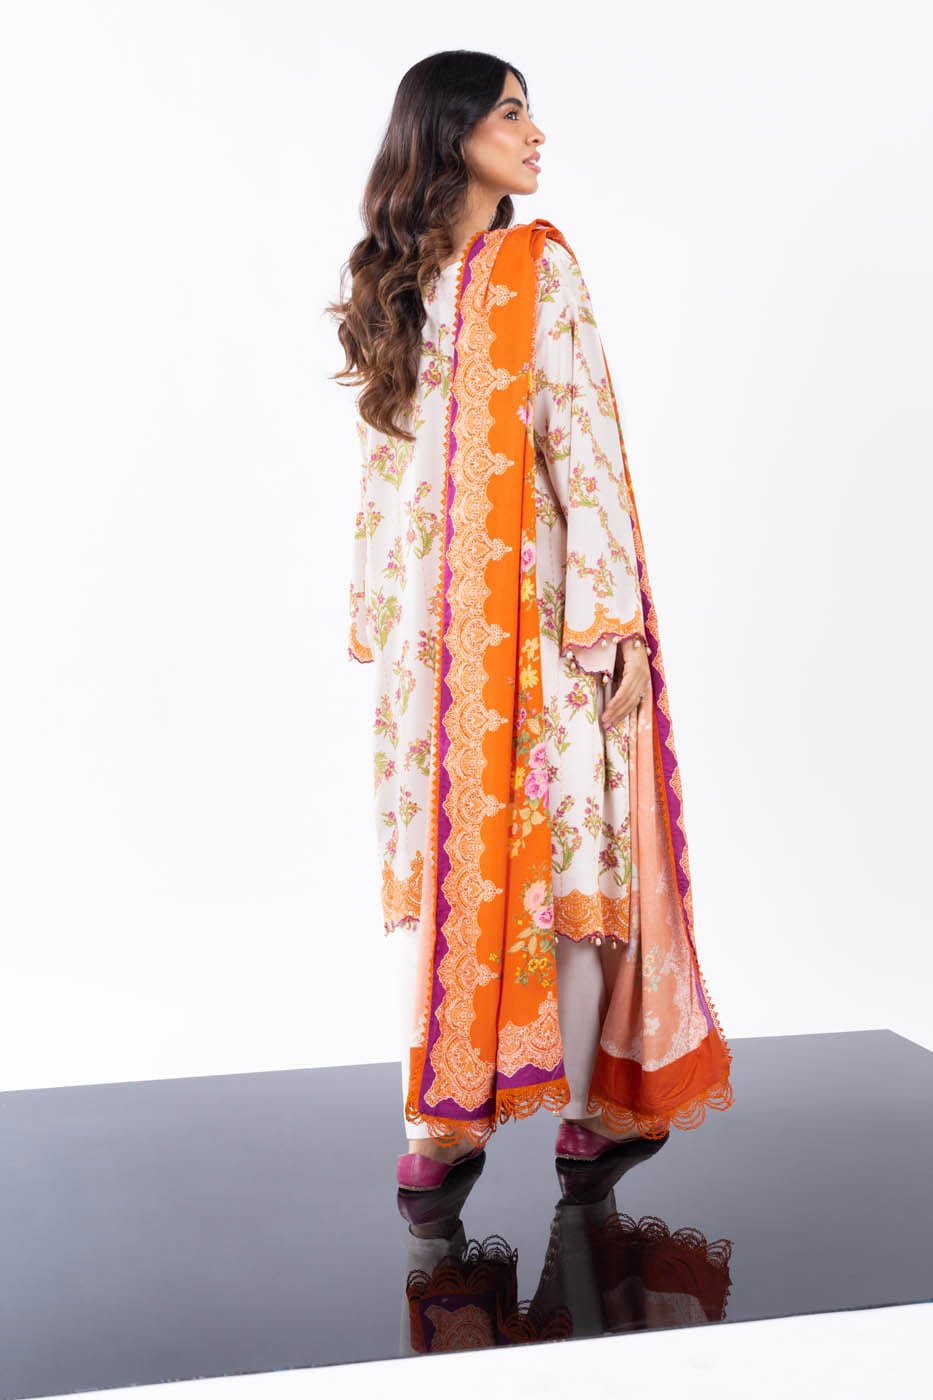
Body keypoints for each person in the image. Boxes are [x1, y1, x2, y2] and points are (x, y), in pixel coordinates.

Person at [328, 51, 734, 1190]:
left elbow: (581, 443)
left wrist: (607, 619)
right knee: (457, 863)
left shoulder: (532, 268)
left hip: (528, 623)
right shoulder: (397, 289)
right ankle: (466, 1118)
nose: (536, 132)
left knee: (555, 853)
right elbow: (387, 476)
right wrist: (383, 619)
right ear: (451, 132)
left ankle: (538, 1118)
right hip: (442, 640)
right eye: (512, 112)